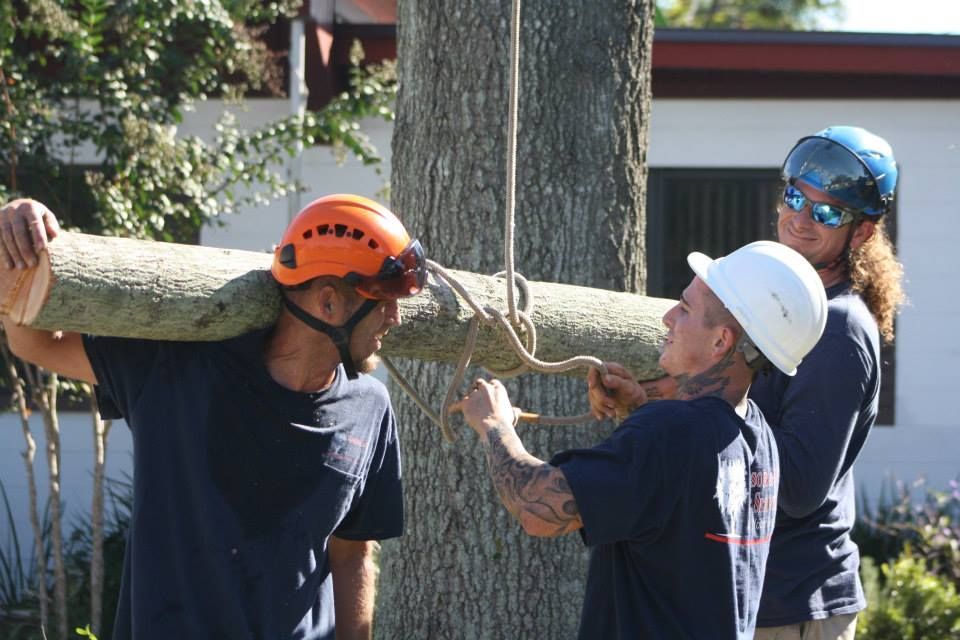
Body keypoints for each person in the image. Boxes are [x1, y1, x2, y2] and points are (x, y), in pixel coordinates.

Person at [0, 194, 427, 640]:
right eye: (384, 299)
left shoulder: (369, 407)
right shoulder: (179, 368)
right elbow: (37, 343)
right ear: (328, 304)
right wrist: (17, 228)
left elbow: (352, 552)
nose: (395, 317)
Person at [591, 126, 906, 640]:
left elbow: (799, 487)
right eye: (795, 196)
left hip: (793, 602)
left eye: (827, 212)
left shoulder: (839, 326)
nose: (800, 218)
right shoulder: (778, 303)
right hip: (751, 592)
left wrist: (683, 408)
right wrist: (651, 402)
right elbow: (730, 416)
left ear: (864, 232)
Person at [452, 241, 828, 639]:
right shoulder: (757, 437)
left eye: (684, 309)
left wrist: (494, 424)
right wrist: (636, 411)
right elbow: (678, 513)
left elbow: (537, 508)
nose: (667, 317)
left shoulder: (669, 433)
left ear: (721, 341)